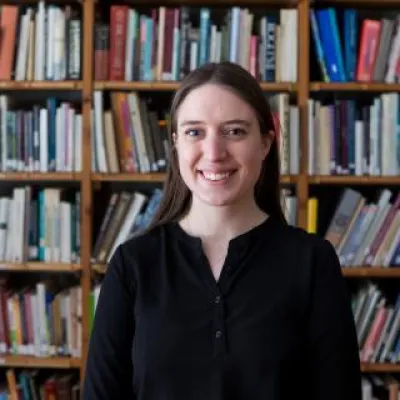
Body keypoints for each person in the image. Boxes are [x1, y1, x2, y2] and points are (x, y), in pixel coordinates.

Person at [82, 61, 362, 400]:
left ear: (266, 143)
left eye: (235, 131)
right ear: (176, 145)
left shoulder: (312, 262)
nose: (214, 153)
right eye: (194, 132)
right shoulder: (133, 264)